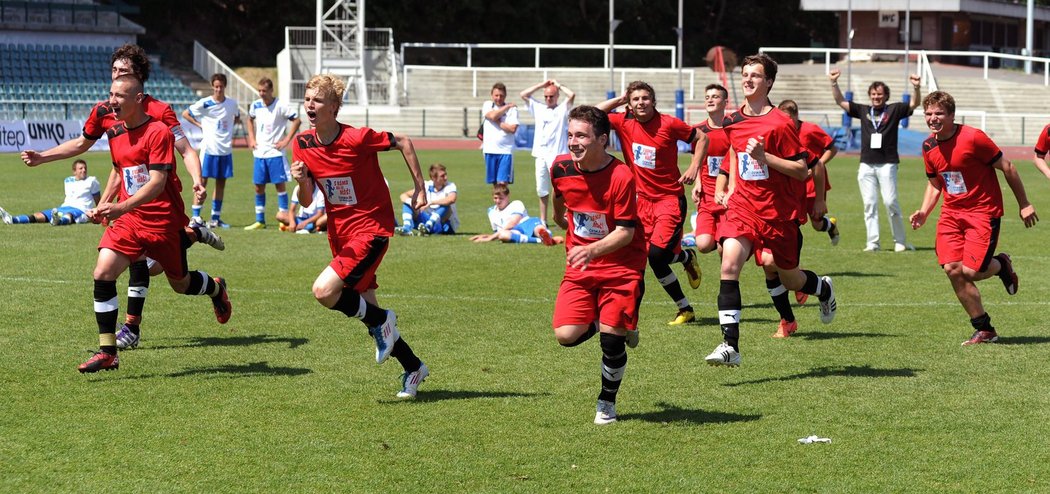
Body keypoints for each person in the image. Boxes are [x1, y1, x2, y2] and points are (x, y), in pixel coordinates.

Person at [19, 44, 224, 351]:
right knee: (122, 264)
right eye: (113, 71)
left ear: (137, 80)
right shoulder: (105, 110)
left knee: (170, 278)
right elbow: (94, 151)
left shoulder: (159, 113)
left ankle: (192, 241)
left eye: (123, 72)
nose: (115, 78)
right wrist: (43, 157)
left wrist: (197, 179)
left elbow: (185, 149)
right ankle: (128, 331)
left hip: (159, 200)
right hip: (127, 204)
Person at [76, 75, 232, 373]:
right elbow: (119, 170)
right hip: (130, 219)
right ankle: (109, 350)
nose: (112, 100)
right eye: (111, 92)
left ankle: (215, 287)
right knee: (104, 271)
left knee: (180, 283)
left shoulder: (160, 127)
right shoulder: (115, 129)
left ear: (138, 97)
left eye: (120, 95)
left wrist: (119, 205)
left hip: (162, 221)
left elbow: (159, 181)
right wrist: (107, 205)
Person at [290, 74, 429, 399]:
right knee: (370, 314)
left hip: (371, 228)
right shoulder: (302, 144)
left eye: (318, 100)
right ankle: (413, 367)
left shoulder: (357, 137)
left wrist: (420, 187)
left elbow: (404, 142)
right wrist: (300, 180)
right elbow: (308, 200)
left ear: (334, 107)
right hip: (340, 233)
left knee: (323, 291)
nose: (310, 105)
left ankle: (384, 320)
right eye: (308, 98)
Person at [704, 53, 838, 365]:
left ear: (769, 82)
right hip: (742, 208)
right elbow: (736, 154)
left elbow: (801, 169)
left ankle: (823, 288)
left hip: (779, 214)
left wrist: (766, 158)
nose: (748, 79)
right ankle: (730, 346)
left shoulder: (781, 123)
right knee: (728, 266)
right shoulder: (733, 120)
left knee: (791, 280)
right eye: (745, 74)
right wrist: (726, 186)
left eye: (755, 75)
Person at [909, 91, 1038, 346]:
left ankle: (1001, 264)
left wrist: (1024, 204)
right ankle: (984, 328)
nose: (932, 118)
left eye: (939, 113)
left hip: (982, 213)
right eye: (928, 114)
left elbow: (1008, 167)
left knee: (972, 271)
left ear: (952, 115)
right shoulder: (928, 146)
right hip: (951, 215)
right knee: (952, 269)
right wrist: (924, 211)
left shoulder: (973, 137)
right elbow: (936, 184)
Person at [550, 105, 647, 425]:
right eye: (570, 135)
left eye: (581, 135)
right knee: (565, 335)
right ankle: (610, 323)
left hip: (622, 264)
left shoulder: (621, 176)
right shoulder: (561, 167)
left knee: (611, 340)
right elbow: (559, 196)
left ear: (602, 140)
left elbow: (625, 232)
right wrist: (557, 217)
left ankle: (607, 402)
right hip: (581, 266)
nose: (573, 142)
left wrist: (591, 250)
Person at [596, 80, 707, 326]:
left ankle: (684, 282)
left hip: (669, 201)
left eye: (645, 98)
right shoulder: (623, 122)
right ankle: (685, 303)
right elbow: (592, 114)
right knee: (647, 257)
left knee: (656, 256)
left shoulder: (669, 123)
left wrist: (693, 166)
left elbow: (702, 138)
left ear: (653, 101)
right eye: (635, 99)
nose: (640, 103)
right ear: (630, 104)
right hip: (641, 202)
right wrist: (619, 101)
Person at [829, 69, 920, 252]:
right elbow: (840, 101)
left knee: (890, 202)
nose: (876, 97)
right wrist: (834, 83)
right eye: (873, 94)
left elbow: (914, 104)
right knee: (869, 204)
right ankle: (873, 243)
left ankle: (900, 241)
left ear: (886, 95)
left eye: (879, 94)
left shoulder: (894, 109)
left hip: (888, 163)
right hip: (866, 164)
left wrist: (916, 87)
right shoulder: (863, 110)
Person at [778, 99, 840, 245]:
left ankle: (831, 226)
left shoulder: (810, 129)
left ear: (796, 115)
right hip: (793, 184)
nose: (785, 121)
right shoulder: (781, 132)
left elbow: (832, 148)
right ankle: (788, 260)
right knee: (792, 220)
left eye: (788, 118)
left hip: (813, 183)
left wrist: (818, 164)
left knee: (817, 224)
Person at [183, 73, 241, 228]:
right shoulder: (205, 103)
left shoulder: (232, 104)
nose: (218, 89)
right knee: (202, 183)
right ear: (212, 86)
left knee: (221, 184)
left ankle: (215, 218)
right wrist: (200, 124)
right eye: (216, 87)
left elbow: (237, 117)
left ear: (225, 87)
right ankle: (195, 218)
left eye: (221, 86)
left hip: (225, 150)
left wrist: (227, 128)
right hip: (209, 149)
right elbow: (186, 114)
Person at [244, 77, 301, 230]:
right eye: (259, 90)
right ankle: (260, 220)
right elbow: (249, 119)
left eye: (264, 91)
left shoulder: (281, 105)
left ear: (271, 90)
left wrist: (286, 140)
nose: (261, 94)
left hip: (276, 153)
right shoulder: (256, 105)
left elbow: (297, 120)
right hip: (259, 153)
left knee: (280, 186)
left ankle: (283, 218)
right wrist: (251, 138)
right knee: (258, 187)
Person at [520, 79, 575, 225]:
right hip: (540, 155)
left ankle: (563, 216)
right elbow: (523, 94)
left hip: (558, 155)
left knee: (562, 188)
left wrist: (558, 85)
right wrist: (541, 86)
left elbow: (571, 95)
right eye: (546, 96)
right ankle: (543, 219)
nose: (548, 99)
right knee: (541, 189)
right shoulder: (538, 108)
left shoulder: (562, 109)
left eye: (551, 96)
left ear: (557, 96)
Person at [687, 84, 733, 255]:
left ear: (725, 102)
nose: (710, 100)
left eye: (715, 97)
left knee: (725, 249)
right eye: (707, 97)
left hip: (728, 197)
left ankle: (728, 280)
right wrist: (697, 183)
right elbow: (696, 158)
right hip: (707, 195)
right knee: (703, 245)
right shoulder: (698, 131)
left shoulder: (733, 129)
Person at [0, 159, 99, 226]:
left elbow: (98, 199)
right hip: (64, 206)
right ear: (74, 171)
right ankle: (13, 220)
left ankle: (58, 221)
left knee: (69, 215)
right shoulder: (68, 180)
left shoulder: (92, 180)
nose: (84, 170)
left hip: (81, 209)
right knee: (40, 215)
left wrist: (98, 212)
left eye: (85, 168)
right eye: (80, 168)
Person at [470, 184, 562, 245]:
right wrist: (485, 236)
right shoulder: (491, 211)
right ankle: (543, 240)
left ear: (508, 196)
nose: (497, 201)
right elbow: (497, 232)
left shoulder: (516, 204)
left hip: (527, 223)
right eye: (495, 198)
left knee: (538, 229)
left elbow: (512, 223)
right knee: (503, 235)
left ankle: (545, 236)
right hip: (515, 231)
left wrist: (489, 238)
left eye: (501, 198)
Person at [398, 163, 459, 235]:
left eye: (445, 174)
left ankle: (428, 226)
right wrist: (415, 203)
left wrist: (431, 202)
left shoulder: (450, 186)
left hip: (443, 223)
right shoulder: (426, 185)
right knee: (407, 204)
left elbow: (451, 199)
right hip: (426, 219)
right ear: (433, 178)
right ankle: (406, 228)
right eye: (442, 176)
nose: (446, 177)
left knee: (445, 206)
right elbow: (403, 195)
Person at [481, 82, 519, 186]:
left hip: (505, 151)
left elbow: (512, 128)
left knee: (502, 184)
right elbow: (492, 116)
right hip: (489, 150)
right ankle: (498, 203)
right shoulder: (487, 105)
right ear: (492, 95)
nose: (498, 98)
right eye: (496, 95)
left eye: (501, 95)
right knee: (494, 184)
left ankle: (505, 203)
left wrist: (497, 121)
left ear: (505, 96)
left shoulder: (513, 109)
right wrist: (506, 107)